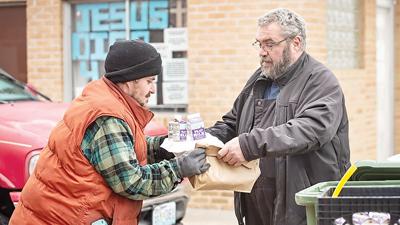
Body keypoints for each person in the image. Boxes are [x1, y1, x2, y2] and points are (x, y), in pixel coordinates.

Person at [9, 40, 210, 225]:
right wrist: (178, 169)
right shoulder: (107, 116)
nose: (152, 89)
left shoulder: (105, 99)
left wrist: (164, 146)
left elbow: (121, 150)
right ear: (130, 80)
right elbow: (131, 182)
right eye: (149, 81)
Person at [207, 8, 350, 225]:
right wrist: (201, 139)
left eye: (269, 44)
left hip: (302, 208)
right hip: (257, 204)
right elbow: (233, 123)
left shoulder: (321, 81)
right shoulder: (259, 78)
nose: (262, 52)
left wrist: (248, 146)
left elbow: (310, 129)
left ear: (296, 43)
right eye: (259, 44)